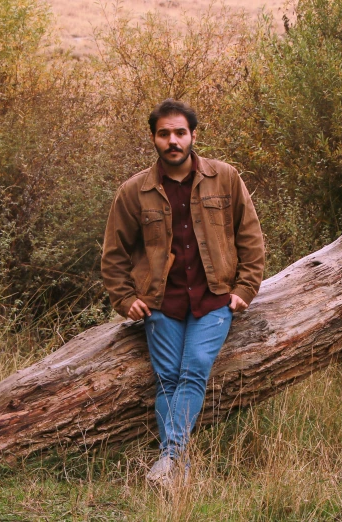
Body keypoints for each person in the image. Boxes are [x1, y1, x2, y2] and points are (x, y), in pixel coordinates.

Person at [101, 99, 265, 486]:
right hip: (161, 302)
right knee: (167, 379)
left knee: (193, 370)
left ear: (193, 135)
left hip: (214, 298)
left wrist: (245, 288)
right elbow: (113, 252)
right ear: (154, 138)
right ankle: (177, 467)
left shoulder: (225, 177)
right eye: (164, 134)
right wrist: (125, 298)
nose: (172, 141)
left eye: (179, 132)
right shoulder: (134, 191)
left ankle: (169, 459)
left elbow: (251, 237)